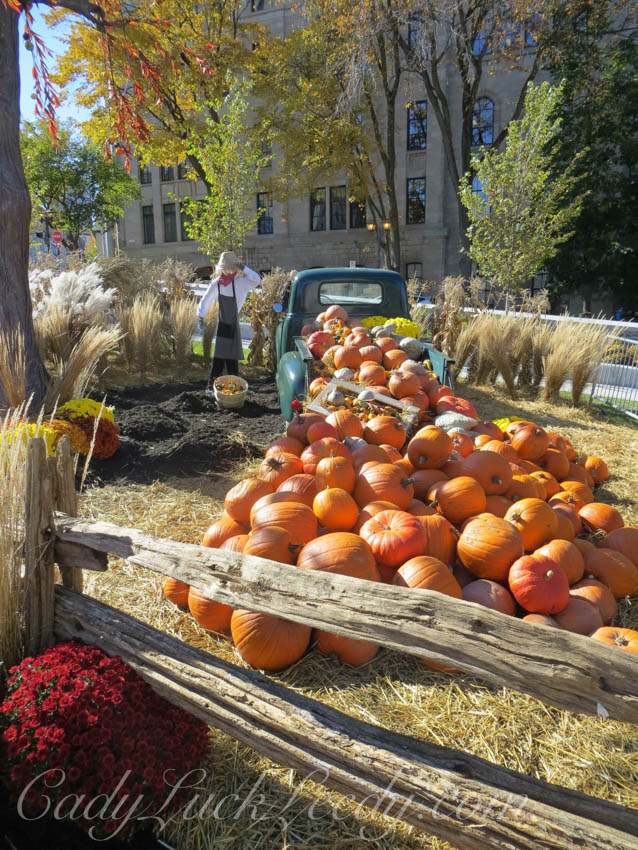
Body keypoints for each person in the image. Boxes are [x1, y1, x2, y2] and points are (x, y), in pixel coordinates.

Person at [197, 251, 260, 394]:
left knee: (230, 356)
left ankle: (237, 388)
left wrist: (200, 316)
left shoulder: (222, 283)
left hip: (229, 323)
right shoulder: (240, 283)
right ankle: (210, 387)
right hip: (227, 323)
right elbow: (255, 279)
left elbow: (204, 301)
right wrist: (243, 267)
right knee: (221, 355)